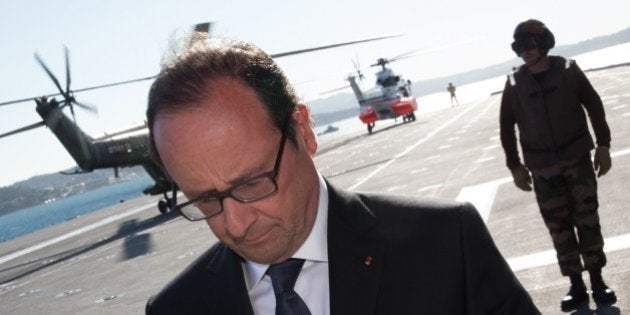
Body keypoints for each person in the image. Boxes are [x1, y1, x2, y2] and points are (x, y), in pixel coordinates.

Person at [145, 35, 540, 314]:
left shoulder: (445, 242)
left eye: (252, 183)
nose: (236, 223)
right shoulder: (177, 307)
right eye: (206, 200)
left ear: (303, 130)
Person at [499, 19, 616, 312]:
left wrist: (603, 145)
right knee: (558, 227)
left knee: (587, 219)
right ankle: (576, 286)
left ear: (544, 43)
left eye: (528, 45)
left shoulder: (567, 70)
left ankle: (598, 281)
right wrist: (515, 165)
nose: (523, 52)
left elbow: (593, 104)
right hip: (542, 168)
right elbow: (505, 126)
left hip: (577, 160)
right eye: (518, 47)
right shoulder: (514, 83)